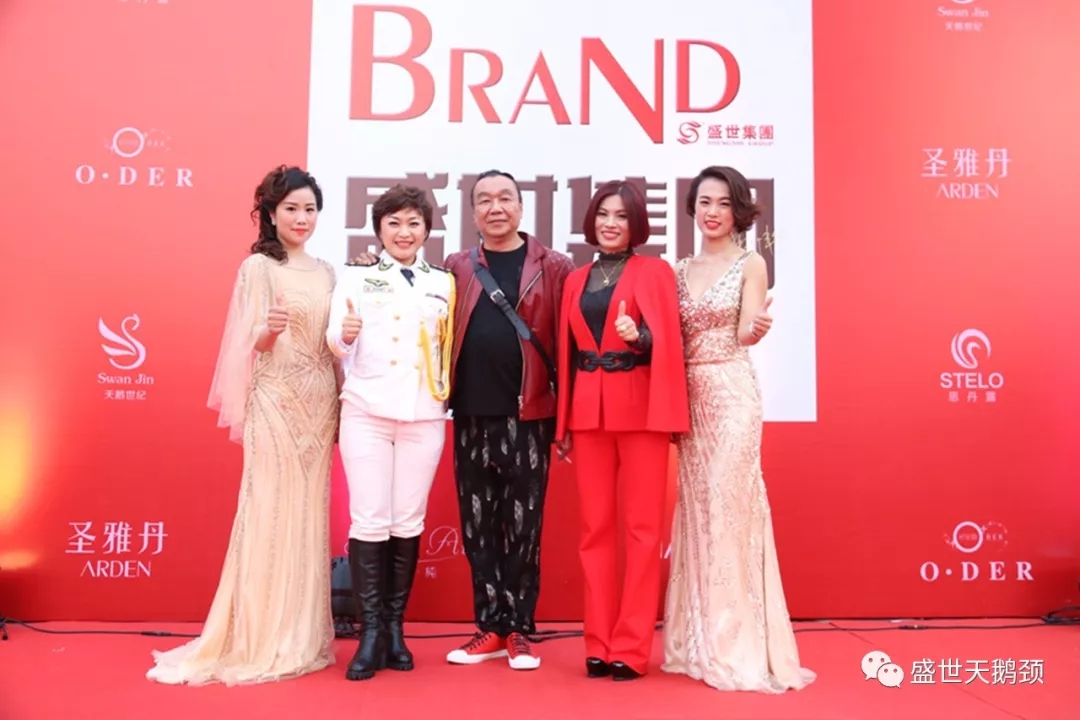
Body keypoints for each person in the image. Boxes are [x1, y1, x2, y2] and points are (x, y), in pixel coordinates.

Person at [350, 169, 574, 670]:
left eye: (505, 198)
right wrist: (369, 264)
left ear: (521, 206)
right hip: (469, 413)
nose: (496, 207)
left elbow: (566, 343)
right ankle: (489, 628)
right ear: (472, 213)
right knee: (478, 529)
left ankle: (518, 630)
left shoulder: (553, 266)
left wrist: (566, 420)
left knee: (524, 529)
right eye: (484, 200)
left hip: (529, 415)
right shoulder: (457, 266)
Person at [147, 165, 339, 686]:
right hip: (275, 402)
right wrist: (268, 332)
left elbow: (334, 344)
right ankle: (257, 637)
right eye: (291, 209)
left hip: (320, 403)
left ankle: (300, 636)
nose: (302, 218)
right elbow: (245, 343)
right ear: (271, 214)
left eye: (310, 209)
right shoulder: (258, 268)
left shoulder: (328, 271)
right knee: (268, 511)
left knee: (310, 513)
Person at [661, 165, 815, 693]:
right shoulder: (678, 269)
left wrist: (756, 328)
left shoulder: (752, 262)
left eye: (724, 203)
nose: (712, 212)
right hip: (689, 401)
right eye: (704, 201)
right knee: (698, 512)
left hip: (732, 397)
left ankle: (737, 646)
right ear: (692, 208)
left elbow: (746, 329)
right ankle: (698, 640)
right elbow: (669, 339)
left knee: (730, 511)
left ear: (739, 211)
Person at [554, 180, 690, 682]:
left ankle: (631, 648)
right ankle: (598, 642)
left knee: (642, 530)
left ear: (637, 224)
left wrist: (640, 337)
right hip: (587, 415)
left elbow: (667, 340)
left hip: (640, 412)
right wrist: (564, 422)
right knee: (594, 531)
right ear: (592, 221)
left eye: (622, 216)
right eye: (603, 214)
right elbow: (567, 353)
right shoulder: (575, 279)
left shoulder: (654, 272)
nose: (611, 223)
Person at [326, 185, 455, 681]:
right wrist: (345, 336)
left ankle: (395, 629)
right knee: (369, 520)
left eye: (414, 223)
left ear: (427, 230)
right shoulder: (357, 276)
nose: (404, 233)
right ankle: (371, 632)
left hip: (424, 414)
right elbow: (336, 341)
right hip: (367, 412)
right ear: (378, 229)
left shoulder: (443, 282)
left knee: (407, 521)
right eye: (394, 223)